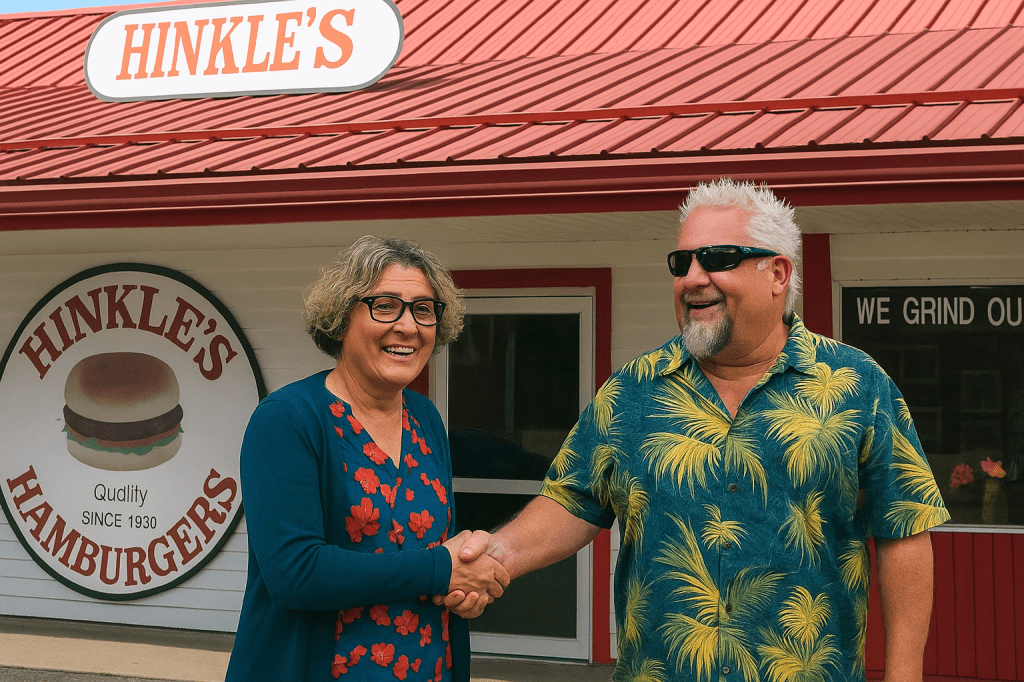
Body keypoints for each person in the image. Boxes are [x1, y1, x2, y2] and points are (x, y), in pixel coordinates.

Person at [445, 179, 950, 682]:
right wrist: (496, 554)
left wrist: (904, 673)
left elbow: (903, 530)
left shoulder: (857, 385)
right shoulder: (632, 391)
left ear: (777, 273)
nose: (692, 277)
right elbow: (572, 500)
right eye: (681, 262)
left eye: (717, 258)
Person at [226, 235, 510, 682]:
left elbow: (435, 552)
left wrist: (462, 588)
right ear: (340, 320)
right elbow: (296, 573)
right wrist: (441, 570)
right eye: (385, 305)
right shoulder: (287, 420)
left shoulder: (425, 418)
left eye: (423, 309)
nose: (408, 326)